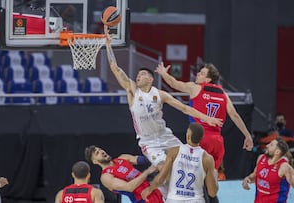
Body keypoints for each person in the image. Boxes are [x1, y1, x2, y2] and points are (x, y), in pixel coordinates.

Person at [104, 33, 223, 169]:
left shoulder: (160, 94)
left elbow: (184, 108)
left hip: (165, 136)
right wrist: (108, 46)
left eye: (142, 74)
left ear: (150, 79)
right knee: (162, 167)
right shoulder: (133, 91)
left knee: (190, 161)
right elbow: (115, 68)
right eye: (137, 75)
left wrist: (206, 118)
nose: (138, 76)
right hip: (148, 141)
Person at [155, 62, 253, 170]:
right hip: (217, 142)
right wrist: (247, 135)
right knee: (212, 178)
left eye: (201, 73)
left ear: (208, 80)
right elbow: (234, 115)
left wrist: (164, 73)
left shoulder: (195, 88)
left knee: (193, 176)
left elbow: (174, 83)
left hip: (200, 138)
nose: (197, 74)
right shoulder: (223, 93)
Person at [141, 123, 218, 203]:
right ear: (201, 138)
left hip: (175, 199)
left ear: (188, 136)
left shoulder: (174, 152)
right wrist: (214, 177)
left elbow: (161, 179)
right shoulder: (207, 159)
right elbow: (212, 193)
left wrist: (149, 189)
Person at [84, 145, 164, 203]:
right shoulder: (106, 177)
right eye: (97, 153)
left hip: (155, 191)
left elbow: (144, 160)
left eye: (100, 149)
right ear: (95, 161)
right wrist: (147, 172)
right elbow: (129, 187)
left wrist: (158, 159)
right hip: (143, 199)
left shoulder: (122, 158)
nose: (101, 152)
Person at [242, 138, 294, 202]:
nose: (267, 145)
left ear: (277, 152)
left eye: (271, 145)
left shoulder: (284, 167)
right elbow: (255, 175)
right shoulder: (261, 158)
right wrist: (248, 179)